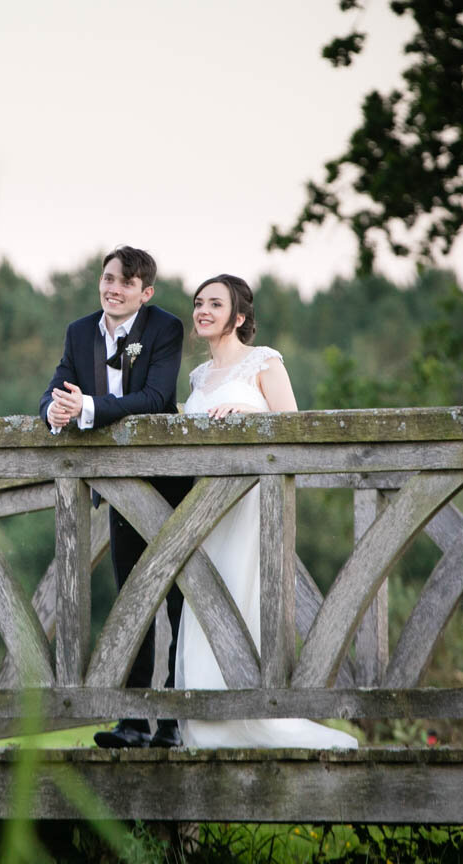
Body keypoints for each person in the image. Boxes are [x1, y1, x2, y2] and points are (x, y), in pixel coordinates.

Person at [174, 274, 359, 750]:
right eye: (198, 303)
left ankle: (250, 713)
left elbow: (294, 426)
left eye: (215, 304)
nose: (203, 310)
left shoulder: (264, 361)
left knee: (242, 591)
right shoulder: (197, 378)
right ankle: (205, 722)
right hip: (205, 506)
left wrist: (249, 421)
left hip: (252, 501)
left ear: (238, 317)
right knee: (204, 596)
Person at [40, 246, 190, 749]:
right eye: (108, 279)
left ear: (145, 293)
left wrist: (86, 407)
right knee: (132, 602)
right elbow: (55, 387)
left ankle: (174, 721)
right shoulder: (80, 331)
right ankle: (130, 720)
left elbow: (155, 399)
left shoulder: (164, 328)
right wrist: (54, 413)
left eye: (126, 283)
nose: (113, 288)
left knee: (178, 602)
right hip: (118, 489)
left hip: (169, 484)